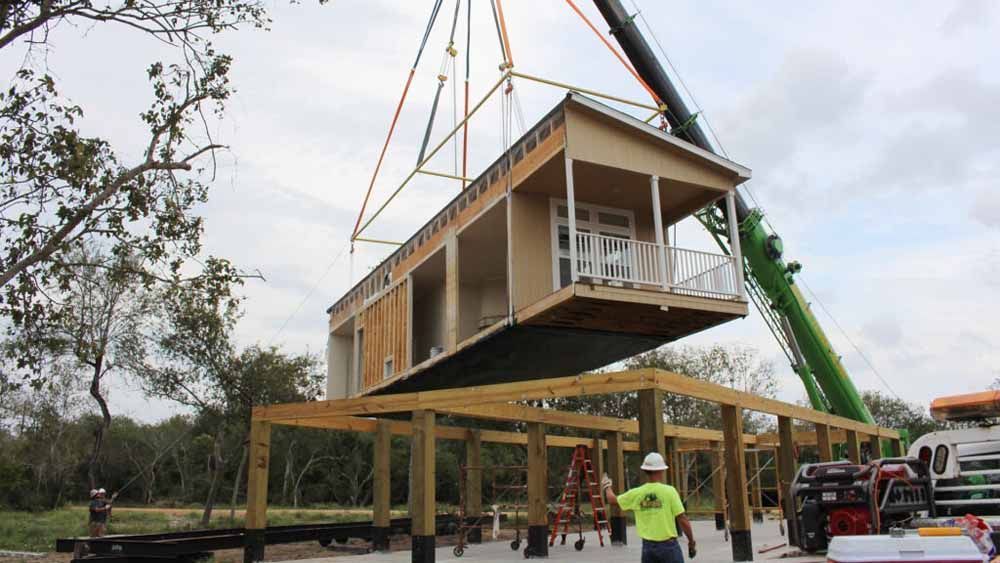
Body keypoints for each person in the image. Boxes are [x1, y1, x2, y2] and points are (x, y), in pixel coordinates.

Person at [602, 452, 695, 563]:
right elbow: (682, 519)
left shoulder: (637, 493)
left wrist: (607, 486)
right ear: (661, 470)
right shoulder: (670, 491)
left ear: (646, 470)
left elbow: (612, 500)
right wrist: (691, 541)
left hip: (648, 548)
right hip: (669, 548)